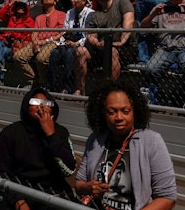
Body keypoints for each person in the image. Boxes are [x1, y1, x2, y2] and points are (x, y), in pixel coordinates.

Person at [75, 79, 176, 210]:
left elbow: (167, 197)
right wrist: (88, 187)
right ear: (103, 113)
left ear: (135, 111)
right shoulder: (96, 139)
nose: (119, 117)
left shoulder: (151, 141)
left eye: (125, 111)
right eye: (112, 112)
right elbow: (79, 183)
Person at [0, 87, 77, 209]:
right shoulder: (12, 132)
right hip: (19, 190)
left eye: (47, 103)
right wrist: (18, 201)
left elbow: (69, 170)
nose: (41, 106)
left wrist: (51, 135)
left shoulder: (61, 133)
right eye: (35, 102)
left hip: (52, 194)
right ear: (26, 106)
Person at [75, 0, 135, 95]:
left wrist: (122, 41)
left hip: (123, 47)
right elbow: (91, 35)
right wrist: (98, 44)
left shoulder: (122, 2)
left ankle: (111, 91)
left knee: (111, 51)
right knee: (80, 51)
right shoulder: (95, 15)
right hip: (102, 48)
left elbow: (129, 20)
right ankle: (80, 89)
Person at [13, 0, 66, 84]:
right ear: (42, 2)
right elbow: (34, 33)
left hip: (53, 42)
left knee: (41, 59)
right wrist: (35, 43)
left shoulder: (61, 14)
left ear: (55, 1)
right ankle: (32, 80)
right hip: (37, 42)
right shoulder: (39, 17)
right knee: (18, 57)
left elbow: (61, 33)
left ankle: (43, 82)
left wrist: (44, 41)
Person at [49, 0, 94, 93]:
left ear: (83, 0)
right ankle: (52, 85)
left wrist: (75, 43)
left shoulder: (90, 14)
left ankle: (67, 86)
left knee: (70, 54)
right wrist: (63, 42)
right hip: (68, 42)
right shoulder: (70, 12)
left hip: (82, 44)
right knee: (54, 53)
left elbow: (88, 35)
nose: (72, 0)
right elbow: (65, 29)